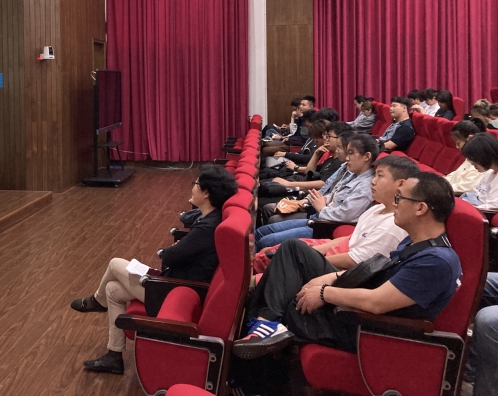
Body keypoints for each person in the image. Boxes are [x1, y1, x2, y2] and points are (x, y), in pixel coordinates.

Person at [232, 173, 461, 368]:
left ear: (421, 208)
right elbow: (377, 273)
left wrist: (324, 292)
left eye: (400, 198)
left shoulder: (436, 261)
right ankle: (266, 324)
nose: (395, 203)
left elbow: (377, 303)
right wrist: (330, 278)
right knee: (293, 249)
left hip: (367, 326)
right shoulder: (416, 242)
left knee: (282, 299)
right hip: (359, 296)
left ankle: (256, 356)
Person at [70, 165, 237, 375]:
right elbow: (180, 249)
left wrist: (167, 251)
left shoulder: (207, 227)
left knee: (114, 263)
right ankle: (114, 356)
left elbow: (169, 256)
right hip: (179, 283)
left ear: (206, 193)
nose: (192, 187)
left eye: (195, 184)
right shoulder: (211, 218)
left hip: (172, 290)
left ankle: (97, 301)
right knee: (112, 289)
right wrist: (175, 250)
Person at [255, 134, 377, 251]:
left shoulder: (366, 185)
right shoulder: (352, 173)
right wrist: (310, 200)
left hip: (324, 226)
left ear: (366, 156)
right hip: (318, 217)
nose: (347, 158)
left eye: (351, 153)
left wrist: (321, 207)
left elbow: (345, 215)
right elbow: (331, 192)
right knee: (260, 232)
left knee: (265, 241)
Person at [446, 120, 485, 195]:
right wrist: (440, 182)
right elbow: (455, 175)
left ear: (470, 138)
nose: (457, 147)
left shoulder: (481, 160)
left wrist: (440, 188)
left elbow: (467, 187)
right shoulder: (470, 157)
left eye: (458, 143)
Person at [459, 132, 498, 209]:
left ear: (484, 155)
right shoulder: (489, 172)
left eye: (473, 159)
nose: (472, 163)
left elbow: (493, 208)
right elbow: (476, 193)